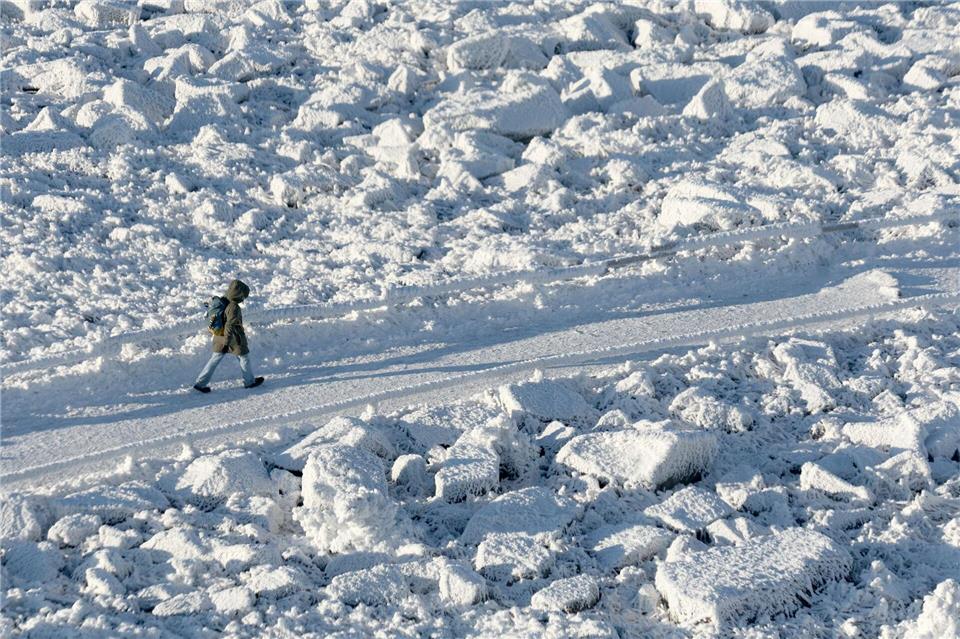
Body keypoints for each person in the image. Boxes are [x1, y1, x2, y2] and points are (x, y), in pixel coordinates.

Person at [193, 279, 264, 392]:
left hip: (219, 335)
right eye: (243, 296)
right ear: (239, 294)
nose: (243, 299)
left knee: (214, 359)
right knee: (244, 357)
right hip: (233, 338)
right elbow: (230, 326)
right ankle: (249, 382)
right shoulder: (234, 307)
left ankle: (200, 383)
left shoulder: (222, 301)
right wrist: (227, 342)